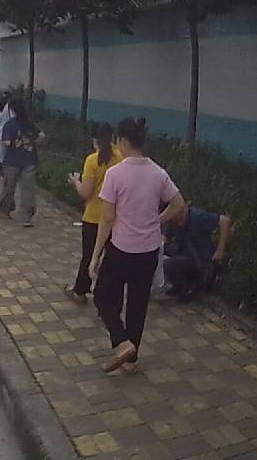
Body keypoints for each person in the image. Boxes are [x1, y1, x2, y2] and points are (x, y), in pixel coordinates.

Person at [88, 117, 187, 373]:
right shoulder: (158, 173)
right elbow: (178, 205)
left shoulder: (115, 174)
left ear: (122, 140)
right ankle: (131, 360)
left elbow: (107, 218)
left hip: (121, 249)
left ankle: (122, 342)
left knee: (102, 295)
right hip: (149, 251)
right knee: (137, 303)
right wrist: (157, 220)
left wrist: (95, 255)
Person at [63, 123, 123, 304]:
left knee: (89, 256)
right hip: (115, 217)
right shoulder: (121, 158)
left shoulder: (92, 160)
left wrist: (75, 182)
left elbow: (85, 193)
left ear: (94, 140)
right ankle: (105, 295)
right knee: (110, 260)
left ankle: (80, 291)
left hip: (93, 217)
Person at [161, 203, 232, 302]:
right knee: (161, 252)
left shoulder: (198, 217)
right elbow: (165, 239)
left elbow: (225, 221)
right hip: (184, 252)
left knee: (167, 264)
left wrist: (220, 250)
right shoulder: (174, 220)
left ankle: (192, 287)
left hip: (199, 259)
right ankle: (178, 286)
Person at [0, 98, 44, 228]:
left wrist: (15, 143)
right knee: (28, 188)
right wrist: (33, 143)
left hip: (12, 161)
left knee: (9, 187)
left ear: (12, 110)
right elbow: (42, 135)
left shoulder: (9, 125)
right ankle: (26, 217)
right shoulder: (29, 124)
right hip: (29, 160)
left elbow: (6, 142)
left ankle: (5, 210)